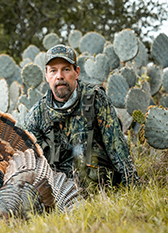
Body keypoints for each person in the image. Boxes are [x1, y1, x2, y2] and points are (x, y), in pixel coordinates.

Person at [24, 44, 139, 188]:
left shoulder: (95, 98)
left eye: (66, 69)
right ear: (46, 76)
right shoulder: (36, 114)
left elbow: (116, 146)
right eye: (53, 71)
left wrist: (133, 185)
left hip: (99, 183)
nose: (59, 76)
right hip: (61, 189)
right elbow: (35, 166)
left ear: (77, 72)